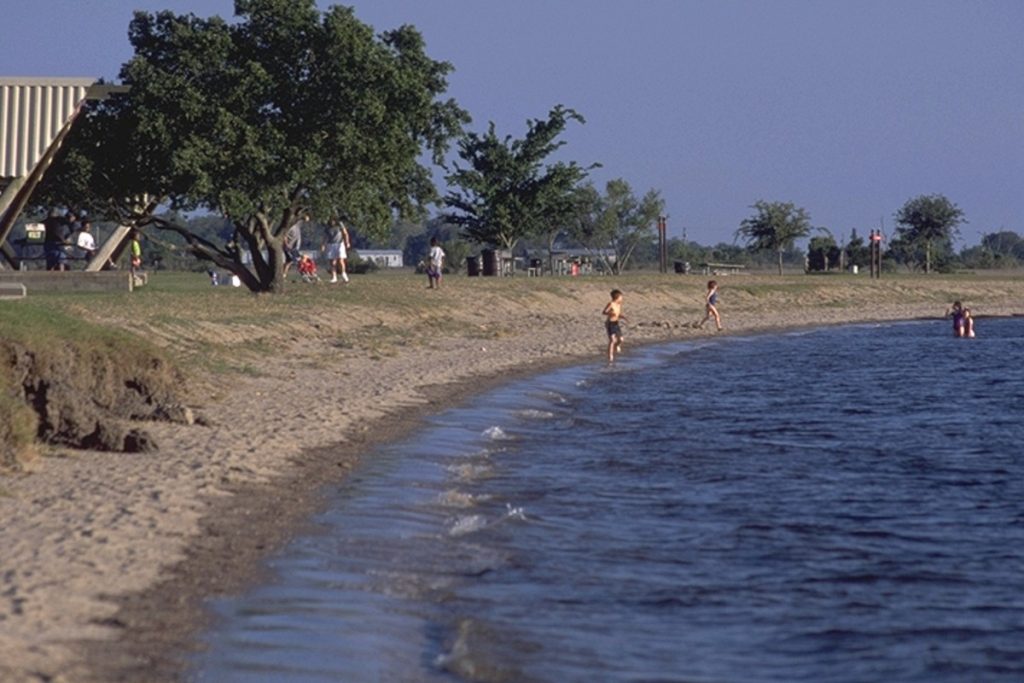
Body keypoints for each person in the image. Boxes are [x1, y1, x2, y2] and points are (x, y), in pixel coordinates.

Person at [321, 218, 351, 284]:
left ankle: (343, 274)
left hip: (339, 243)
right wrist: (323, 245)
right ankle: (334, 277)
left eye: (333, 221)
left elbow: (345, 233)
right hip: (331, 244)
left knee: (340, 259)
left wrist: (347, 242)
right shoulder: (327, 227)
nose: (332, 222)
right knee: (332, 262)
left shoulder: (340, 225)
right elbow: (325, 236)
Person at [603, 289, 628, 362]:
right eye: (621, 297)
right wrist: (610, 314)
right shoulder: (611, 304)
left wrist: (623, 317)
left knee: (621, 339)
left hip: (616, 323)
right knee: (612, 340)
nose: (622, 298)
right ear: (617, 297)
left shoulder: (619, 305)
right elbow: (604, 312)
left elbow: (618, 314)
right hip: (610, 323)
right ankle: (610, 356)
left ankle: (617, 346)